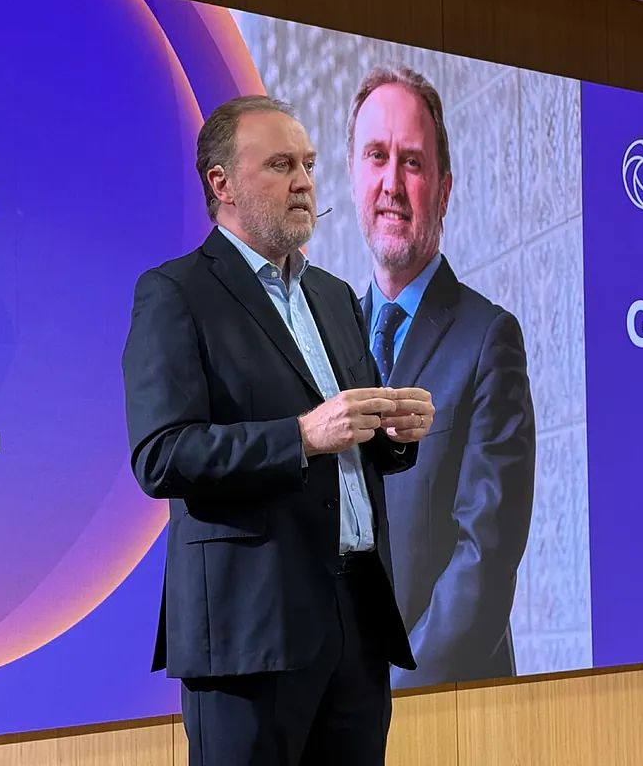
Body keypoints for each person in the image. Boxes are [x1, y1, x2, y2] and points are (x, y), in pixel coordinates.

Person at [122, 94, 435, 765]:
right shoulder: (176, 293)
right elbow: (162, 454)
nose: (303, 183)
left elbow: (352, 441)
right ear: (222, 183)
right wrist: (301, 436)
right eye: (281, 165)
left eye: (309, 166)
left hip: (355, 617)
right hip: (251, 630)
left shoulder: (334, 296)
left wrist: (394, 433)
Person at [345, 65, 536, 687]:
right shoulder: (328, 339)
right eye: (377, 157)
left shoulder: (488, 339)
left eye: (413, 163)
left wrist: (393, 690)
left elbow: (485, 557)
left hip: (449, 708)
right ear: (353, 176)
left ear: (444, 191)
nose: (392, 184)